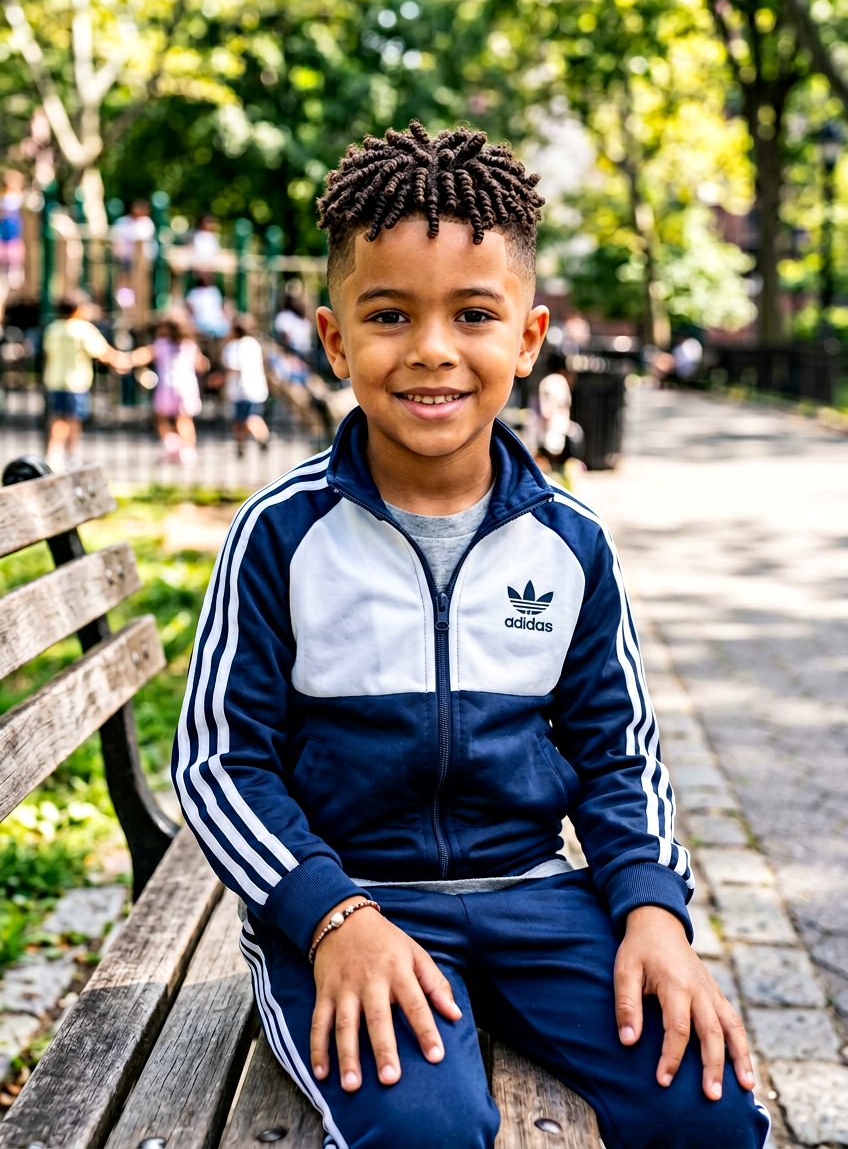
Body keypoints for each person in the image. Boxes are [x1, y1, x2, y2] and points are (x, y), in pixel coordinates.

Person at [173, 122, 770, 1149]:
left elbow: (618, 754)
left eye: (474, 314)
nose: (433, 348)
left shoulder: (568, 543)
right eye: (390, 313)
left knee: (705, 1109)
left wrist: (651, 912)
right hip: (353, 906)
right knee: (423, 1132)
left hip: (536, 898)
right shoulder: (281, 535)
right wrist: (327, 917)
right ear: (332, 338)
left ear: (528, 338)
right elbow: (218, 763)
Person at [42, 295, 129, 472]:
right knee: (73, 419)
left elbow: (46, 353)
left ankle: (53, 453)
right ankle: (70, 454)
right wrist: (121, 361)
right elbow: (102, 352)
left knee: (57, 418)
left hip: (54, 379)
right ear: (77, 309)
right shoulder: (83, 329)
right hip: (76, 381)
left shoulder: (53, 329)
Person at [130, 311, 206, 465]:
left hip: (167, 386)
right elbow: (201, 365)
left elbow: (142, 355)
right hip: (187, 386)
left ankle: (172, 444)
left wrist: (127, 360)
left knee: (161, 417)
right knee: (184, 419)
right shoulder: (189, 345)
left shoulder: (161, 345)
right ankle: (188, 450)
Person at [221, 314, 270, 456]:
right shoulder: (254, 344)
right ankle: (261, 438)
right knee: (252, 416)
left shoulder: (233, 347)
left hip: (241, 390)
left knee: (243, 420)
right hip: (256, 388)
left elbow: (232, 367)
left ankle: (249, 442)